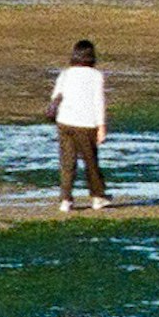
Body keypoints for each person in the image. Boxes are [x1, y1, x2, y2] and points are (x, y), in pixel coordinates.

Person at [49, 39, 109, 211]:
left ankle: (65, 200)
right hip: (86, 123)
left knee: (67, 162)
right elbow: (99, 101)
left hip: (65, 121)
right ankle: (97, 197)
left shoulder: (65, 74)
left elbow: (56, 96)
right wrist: (102, 127)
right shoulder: (96, 76)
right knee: (90, 161)